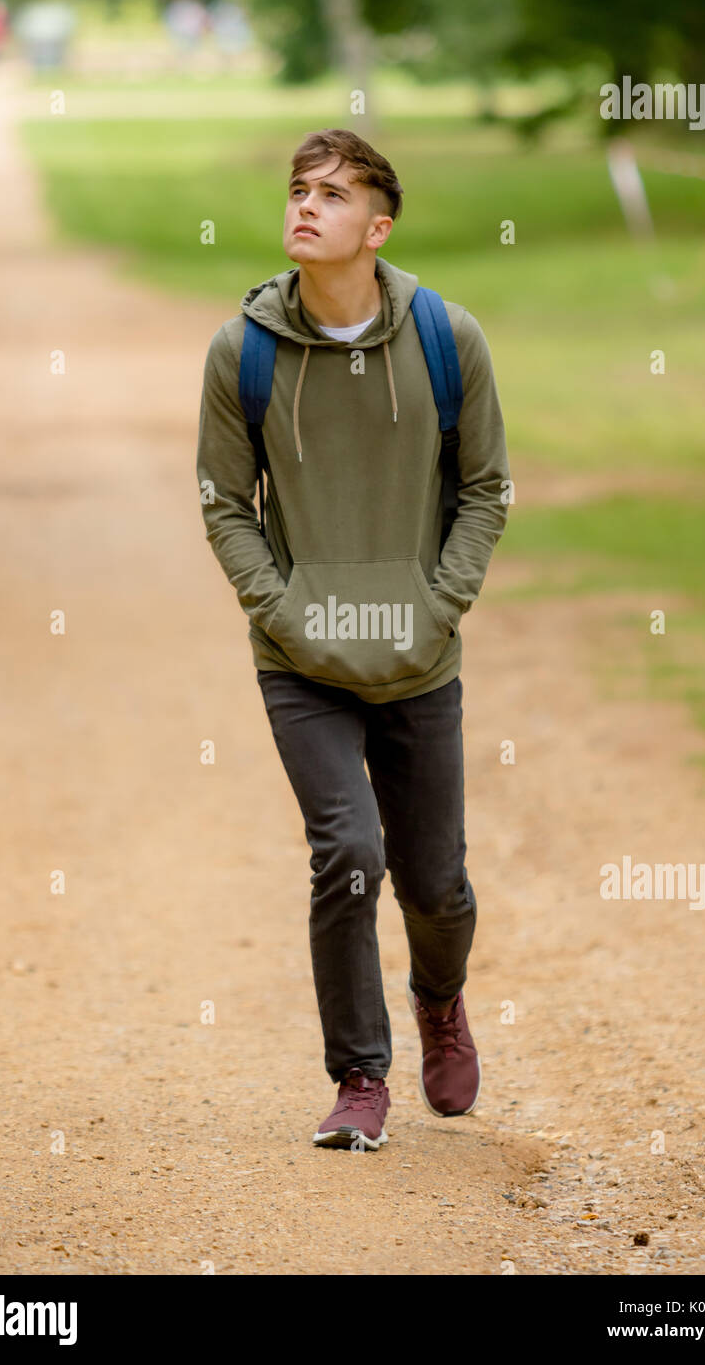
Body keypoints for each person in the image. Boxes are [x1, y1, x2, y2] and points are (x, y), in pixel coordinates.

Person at [196, 127, 510, 1151]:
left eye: (331, 195)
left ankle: (438, 998)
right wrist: (278, 612)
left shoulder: (445, 339)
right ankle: (359, 1079)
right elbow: (224, 503)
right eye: (297, 189)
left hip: (418, 655)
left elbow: (484, 491)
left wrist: (437, 606)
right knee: (346, 855)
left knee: (435, 882)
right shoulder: (240, 349)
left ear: (377, 227)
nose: (304, 206)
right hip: (299, 658)